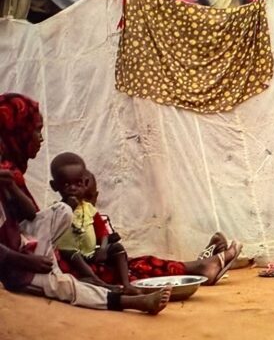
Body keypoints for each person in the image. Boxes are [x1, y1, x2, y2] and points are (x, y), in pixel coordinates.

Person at [0, 93, 171, 314]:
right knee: (66, 285)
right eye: (36, 130)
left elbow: (31, 215)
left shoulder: (9, 172)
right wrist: (26, 262)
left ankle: (101, 283)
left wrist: (12, 186)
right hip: (14, 266)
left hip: (27, 247)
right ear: (17, 132)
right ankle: (128, 301)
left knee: (63, 211)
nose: (41, 139)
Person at [49, 153, 240, 291]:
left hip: (100, 260)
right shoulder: (57, 212)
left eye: (83, 189)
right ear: (56, 187)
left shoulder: (91, 213)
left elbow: (105, 237)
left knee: (141, 262)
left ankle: (201, 265)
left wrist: (104, 248)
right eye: (67, 185)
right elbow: (57, 244)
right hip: (81, 268)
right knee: (141, 267)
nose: (76, 192)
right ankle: (202, 266)